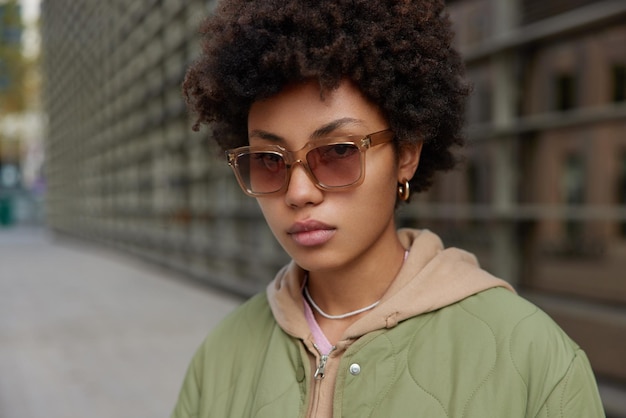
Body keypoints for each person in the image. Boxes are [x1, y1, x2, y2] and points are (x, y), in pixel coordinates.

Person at [172, 0, 605, 417]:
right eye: (269, 160)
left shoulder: (531, 356)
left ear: (406, 154)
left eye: (339, 151)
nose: (299, 191)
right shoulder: (220, 358)